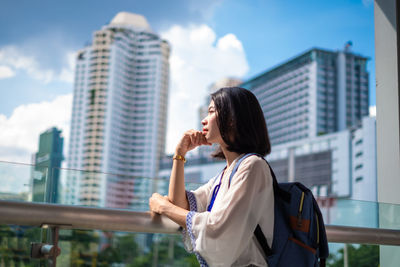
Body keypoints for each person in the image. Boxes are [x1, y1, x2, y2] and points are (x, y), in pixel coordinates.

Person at [149, 87, 274, 267]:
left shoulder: (253, 166)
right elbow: (181, 205)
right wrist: (179, 155)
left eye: (211, 112)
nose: (203, 120)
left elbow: (219, 229)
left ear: (231, 119)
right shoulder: (224, 175)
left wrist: (163, 207)